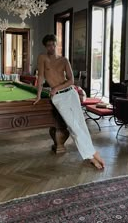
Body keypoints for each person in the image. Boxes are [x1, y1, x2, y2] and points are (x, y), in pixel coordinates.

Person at [33, 34, 105, 169]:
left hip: (71, 94)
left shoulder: (64, 60)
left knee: (81, 126)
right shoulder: (42, 58)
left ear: (56, 44)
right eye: (49, 45)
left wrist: (55, 88)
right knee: (74, 127)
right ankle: (93, 153)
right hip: (59, 98)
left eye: (53, 44)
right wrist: (38, 96)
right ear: (45, 46)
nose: (51, 47)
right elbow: (41, 77)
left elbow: (71, 81)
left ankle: (90, 157)